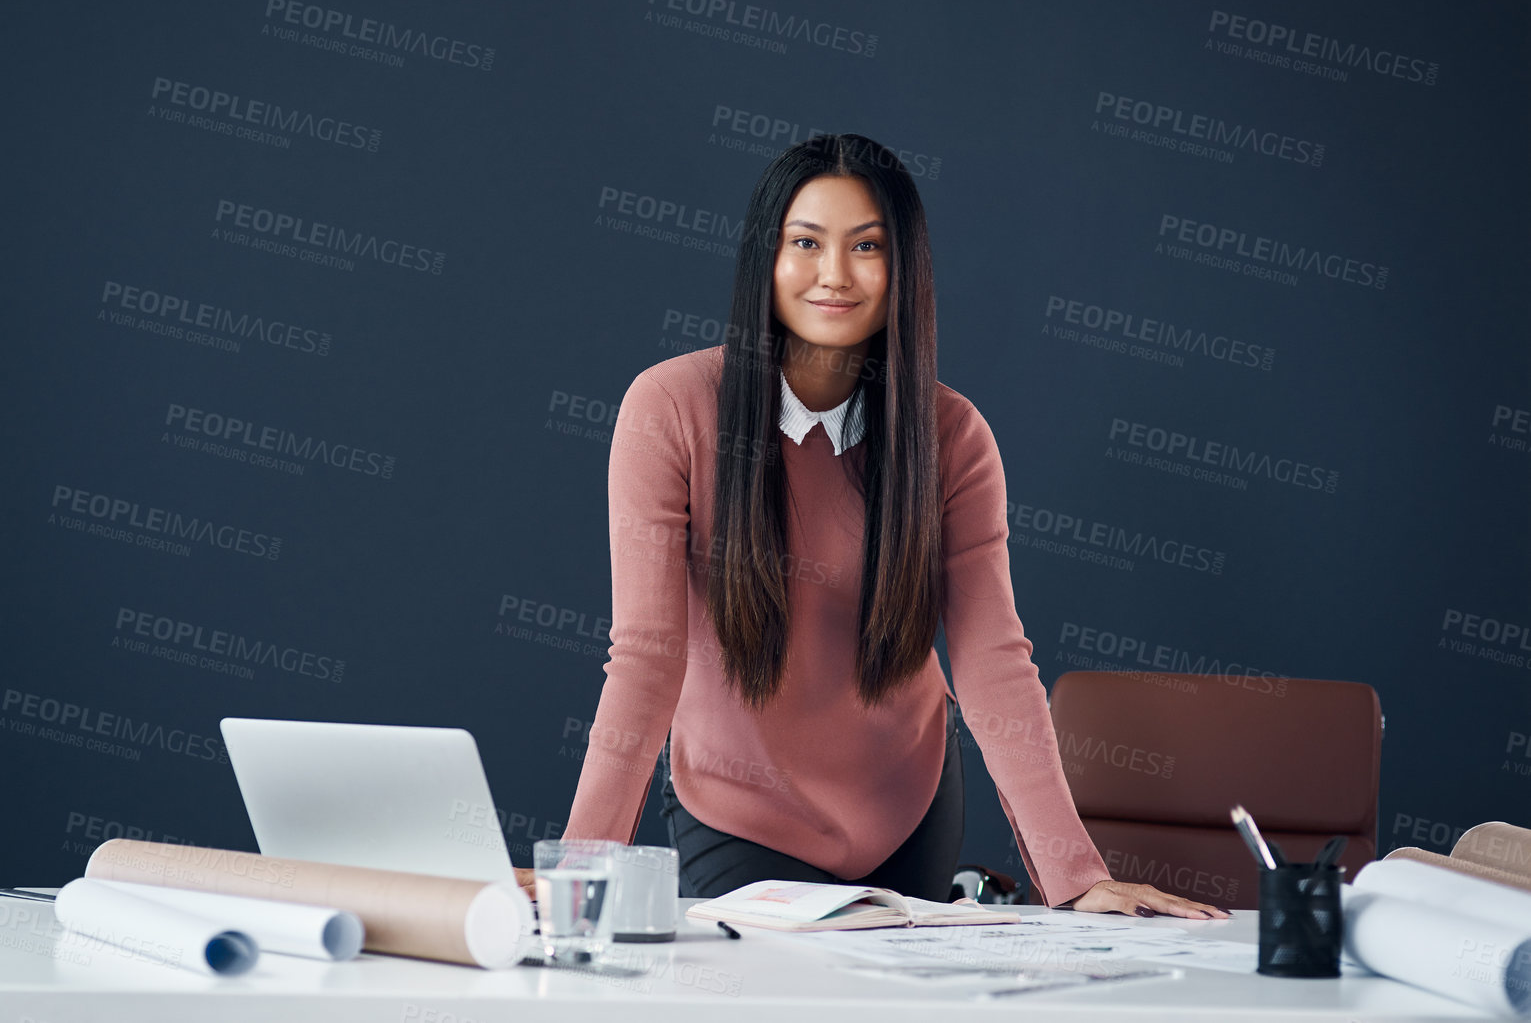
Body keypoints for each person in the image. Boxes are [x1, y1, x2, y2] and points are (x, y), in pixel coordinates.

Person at [518, 134, 1227, 919]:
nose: (834, 274)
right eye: (805, 243)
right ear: (767, 256)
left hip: (908, 805)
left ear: (905, 269)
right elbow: (646, 658)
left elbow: (992, 657)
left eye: (866, 247)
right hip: (739, 808)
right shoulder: (670, 407)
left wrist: (1076, 873)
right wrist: (583, 867)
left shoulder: (951, 433)